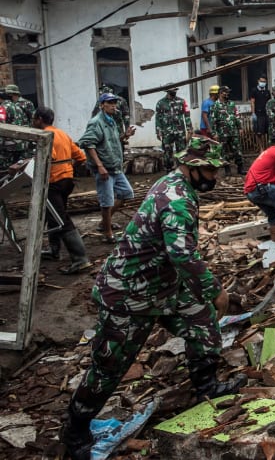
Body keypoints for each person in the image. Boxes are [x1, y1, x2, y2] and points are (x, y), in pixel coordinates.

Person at [60, 136, 246, 460]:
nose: (215, 176)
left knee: (202, 324)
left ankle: (206, 386)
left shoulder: (178, 186)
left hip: (162, 286)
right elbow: (183, 254)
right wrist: (216, 290)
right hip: (128, 293)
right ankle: (75, 431)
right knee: (109, 366)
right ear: (191, 167)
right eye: (210, 170)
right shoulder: (176, 198)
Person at [32, 106, 93, 274]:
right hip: (66, 181)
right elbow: (80, 157)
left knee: (60, 218)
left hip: (53, 182)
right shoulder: (62, 134)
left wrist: (25, 165)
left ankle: (80, 259)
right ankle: (54, 250)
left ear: (39, 119)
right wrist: (67, 167)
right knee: (54, 215)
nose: (32, 122)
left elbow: (48, 156)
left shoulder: (45, 135)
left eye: (34, 119)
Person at [78, 92, 136, 244]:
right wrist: (99, 166)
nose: (113, 105)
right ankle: (108, 233)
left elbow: (113, 140)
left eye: (114, 103)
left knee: (126, 193)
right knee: (107, 201)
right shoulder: (96, 122)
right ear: (102, 105)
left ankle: (104, 222)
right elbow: (87, 143)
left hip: (115, 167)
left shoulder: (111, 121)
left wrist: (125, 136)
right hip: (104, 169)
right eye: (109, 103)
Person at [209, 85, 246, 176]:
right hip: (222, 133)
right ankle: (227, 169)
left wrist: (240, 127)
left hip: (233, 132)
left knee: (237, 150)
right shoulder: (215, 105)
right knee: (224, 151)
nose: (227, 94)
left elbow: (236, 116)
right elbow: (213, 121)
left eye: (228, 92)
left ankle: (240, 168)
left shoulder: (231, 104)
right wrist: (214, 133)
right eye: (226, 92)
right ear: (221, 93)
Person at [155, 86, 192, 171]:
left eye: (175, 90)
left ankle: (182, 169)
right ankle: (169, 170)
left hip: (180, 131)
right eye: (173, 90)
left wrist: (189, 128)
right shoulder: (161, 103)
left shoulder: (182, 101)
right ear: (168, 91)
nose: (174, 92)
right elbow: (158, 118)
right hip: (167, 132)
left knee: (182, 151)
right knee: (167, 151)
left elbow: (187, 115)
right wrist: (158, 131)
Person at [4, 83, 36, 164]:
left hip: (24, 137)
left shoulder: (26, 103)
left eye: (9, 94)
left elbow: (33, 119)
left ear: (14, 94)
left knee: (22, 162)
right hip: (11, 139)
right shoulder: (6, 104)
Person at [249, 75, 270, 153]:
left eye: (264, 82)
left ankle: (267, 147)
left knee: (267, 131)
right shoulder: (254, 90)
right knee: (259, 132)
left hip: (266, 114)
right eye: (261, 81)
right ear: (258, 81)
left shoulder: (267, 92)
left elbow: (269, 103)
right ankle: (261, 148)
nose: (262, 83)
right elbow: (252, 102)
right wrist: (253, 113)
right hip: (258, 113)